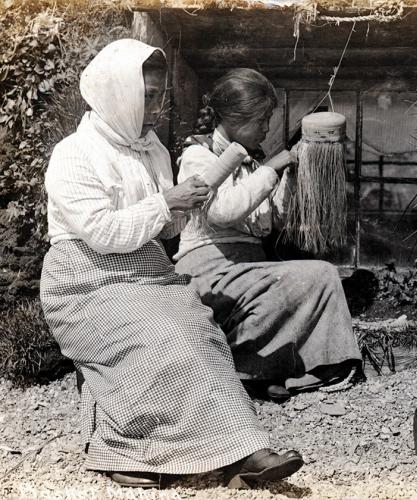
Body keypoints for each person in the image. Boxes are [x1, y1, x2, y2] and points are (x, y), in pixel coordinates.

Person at [40, 39, 303, 489]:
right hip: (84, 280)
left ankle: (241, 449)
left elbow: (164, 231)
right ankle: (153, 449)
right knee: (166, 337)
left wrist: (182, 206)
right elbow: (102, 234)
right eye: (148, 95)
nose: (157, 104)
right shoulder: (74, 154)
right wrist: (166, 202)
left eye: (160, 93)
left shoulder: (153, 150)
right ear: (116, 94)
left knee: (200, 330)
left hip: (145, 271)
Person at [173, 69, 362, 401]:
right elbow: (223, 210)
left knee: (318, 277)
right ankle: (250, 371)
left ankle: (269, 372)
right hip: (209, 272)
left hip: (248, 271)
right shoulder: (198, 155)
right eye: (261, 119)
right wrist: (270, 170)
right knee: (318, 275)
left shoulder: (251, 161)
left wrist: (291, 177)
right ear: (235, 118)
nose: (267, 127)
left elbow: (272, 220)